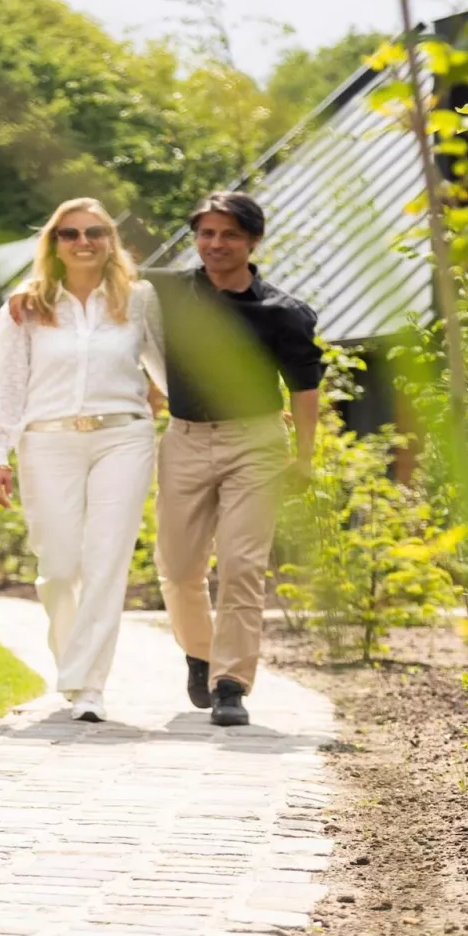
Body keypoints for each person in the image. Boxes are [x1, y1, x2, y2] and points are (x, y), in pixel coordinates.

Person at [0, 199, 165, 724]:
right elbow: (5, 383)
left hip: (123, 438)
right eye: (71, 233)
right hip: (47, 441)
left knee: (106, 560)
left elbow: (168, 371)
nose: (84, 241)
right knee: (57, 566)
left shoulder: (140, 299)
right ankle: (73, 668)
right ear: (54, 242)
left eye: (95, 232)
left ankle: (88, 685)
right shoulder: (25, 306)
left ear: (110, 240)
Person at [148, 191, 322, 727]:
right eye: (206, 233)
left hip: (255, 442)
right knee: (177, 568)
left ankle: (231, 684)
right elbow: (101, 274)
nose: (215, 244)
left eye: (228, 234)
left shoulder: (282, 312)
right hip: (184, 439)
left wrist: (305, 458)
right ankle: (200, 654)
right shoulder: (170, 293)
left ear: (252, 241)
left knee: (243, 564)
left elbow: (305, 387)